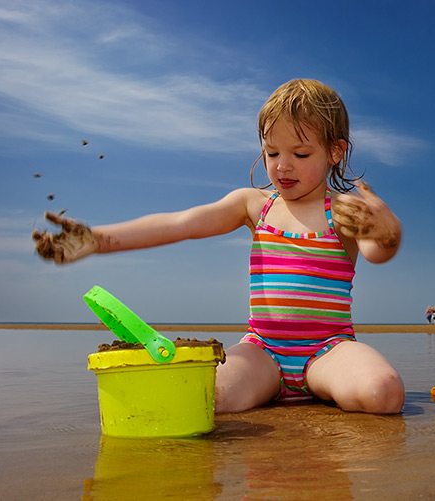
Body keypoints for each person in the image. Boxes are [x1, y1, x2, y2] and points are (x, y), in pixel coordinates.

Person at [32, 78, 405, 415]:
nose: (282, 167)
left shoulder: (343, 210)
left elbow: (376, 251)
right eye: (272, 153)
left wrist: (387, 231)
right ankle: (272, 389)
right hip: (264, 351)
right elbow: (183, 224)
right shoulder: (255, 205)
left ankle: (321, 387)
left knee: (382, 393)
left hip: (329, 349)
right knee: (208, 399)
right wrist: (99, 240)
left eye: (301, 154)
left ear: (335, 152)